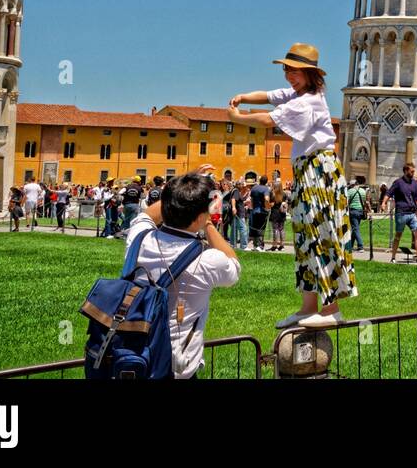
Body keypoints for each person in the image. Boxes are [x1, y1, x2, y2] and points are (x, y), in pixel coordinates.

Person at [229, 42, 356, 328]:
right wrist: (244, 96)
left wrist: (238, 117)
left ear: (311, 75)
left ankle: (331, 309)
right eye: (287, 69)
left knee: (321, 234)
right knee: (304, 238)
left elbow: (269, 119)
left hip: (318, 171)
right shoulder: (301, 93)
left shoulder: (308, 101)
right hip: (307, 171)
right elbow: (270, 97)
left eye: (296, 71)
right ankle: (308, 306)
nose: (290, 75)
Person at [127, 167, 241, 378]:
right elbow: (233, 264)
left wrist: (181, 185)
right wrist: (207, 222)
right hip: (176, 367)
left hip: (132, 358)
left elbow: (146, 215)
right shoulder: (207, 260)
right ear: (199, 216)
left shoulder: (139, 239)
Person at [382, 164, 417, 263]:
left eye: (413, 171)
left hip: (412, 213)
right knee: (398, 236)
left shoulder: (414, 183)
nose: (413, 173)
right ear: (405, 171)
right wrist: (383, 203)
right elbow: (389, 193)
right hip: (401, 213)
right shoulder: (398, 182)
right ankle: (393, 257)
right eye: (411, 171)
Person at [345, 176, 368, 253]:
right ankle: (350, 245)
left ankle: (360, 246)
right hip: (361, 211)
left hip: (353, 211)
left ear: (352, 185)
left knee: (355, 229)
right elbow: (365, 201)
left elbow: (346, 201)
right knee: (356, 228)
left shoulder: (350, 191)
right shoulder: (363, 191)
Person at [248, 176, 270, 252]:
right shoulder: (266, 189)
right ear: (266, 182)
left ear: (260, 180)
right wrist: (268, 207)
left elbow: (252, 199)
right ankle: (260, 246)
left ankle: (255, 245)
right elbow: (266, 199)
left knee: (255, 228)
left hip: (254, 210)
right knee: (261, 228)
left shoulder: (254, 188)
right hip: (262, 211)